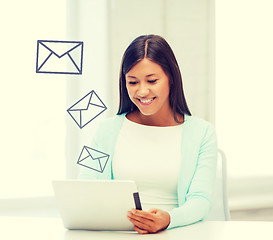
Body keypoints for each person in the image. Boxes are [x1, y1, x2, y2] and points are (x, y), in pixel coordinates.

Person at [78, 34, 218, 234]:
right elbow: (84, 188)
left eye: (152, 81)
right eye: (133, 82)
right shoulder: (105, 131)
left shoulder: (203, 134)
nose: (142, 91)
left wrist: (168, 219)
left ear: (171, 79)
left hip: (175, 233)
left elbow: (201, 200)